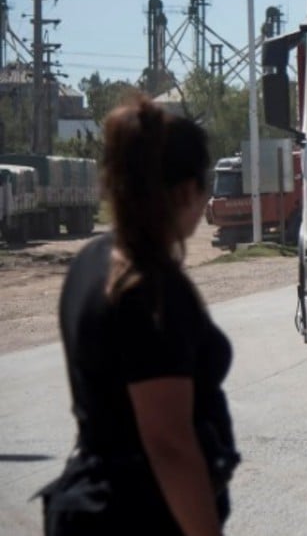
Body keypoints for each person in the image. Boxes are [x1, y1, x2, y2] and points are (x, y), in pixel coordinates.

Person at [37, 97, 238, 535]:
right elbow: (168, 444)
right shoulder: (148, 291)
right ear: (187, 191)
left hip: (96, 502)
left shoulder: (93, 260)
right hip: (137, 515)